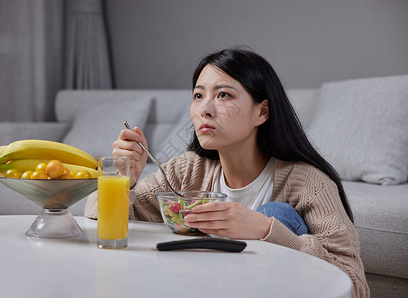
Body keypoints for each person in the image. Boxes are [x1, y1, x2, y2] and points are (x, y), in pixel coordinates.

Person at [85, 48, 369, 297]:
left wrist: (266, 229)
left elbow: (354, 285)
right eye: (198, 95)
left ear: (262, 112)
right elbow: (96, 213)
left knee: (278, 213)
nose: (205, 109)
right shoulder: (188, 170)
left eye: (223, 95)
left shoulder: (308, 182)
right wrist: (123, 177)